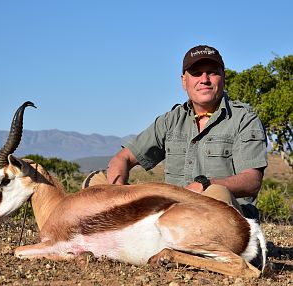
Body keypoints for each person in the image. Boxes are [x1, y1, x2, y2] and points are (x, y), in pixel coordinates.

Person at [84, 45, 268, 221]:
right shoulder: (171, 120)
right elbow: (121, 159)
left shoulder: (244, 118)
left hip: (225, 217)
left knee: (217, 193)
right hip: (172, 214)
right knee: (97, 181)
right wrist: (118, 195)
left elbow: (252, 181)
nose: (204, 79)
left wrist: (206, 185)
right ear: (184, 81)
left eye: (212, 72)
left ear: (223, 77)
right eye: (196, 73)